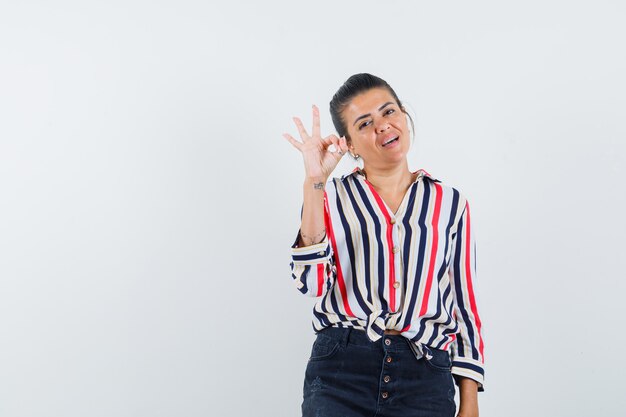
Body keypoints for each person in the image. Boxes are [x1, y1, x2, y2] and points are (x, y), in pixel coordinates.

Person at [282, 73, 485, 417]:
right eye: (365, 123)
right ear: (350, 144)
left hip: (424, 378)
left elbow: (464, 307)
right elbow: (311, 283)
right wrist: (314, 181)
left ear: (404, 115)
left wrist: (470, 403)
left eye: (388, 112)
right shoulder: (329, 197)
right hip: (341, 371)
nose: (382, 126)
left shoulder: (450, 203)